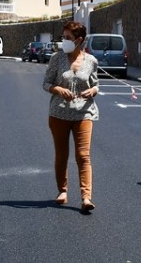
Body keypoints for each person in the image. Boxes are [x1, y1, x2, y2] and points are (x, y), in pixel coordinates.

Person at [42, 21, 99, 212]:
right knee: (62, 154)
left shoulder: (91, 61)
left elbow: (96, 84)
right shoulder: (57, 59)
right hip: (59, 113)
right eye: (63, 37)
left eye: (68, 38)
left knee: (83, 155)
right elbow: (46, 83)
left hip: (84, 113)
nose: (64, 41)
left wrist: (93, 91)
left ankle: (86, 197)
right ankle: (63, 191)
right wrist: (58, 89)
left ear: (79, 40)